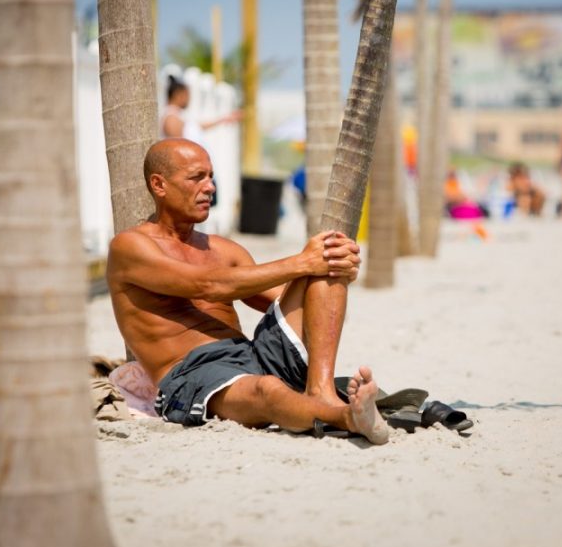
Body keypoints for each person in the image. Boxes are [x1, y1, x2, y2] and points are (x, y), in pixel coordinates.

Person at [106, 139, 390, 444]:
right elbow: (209, 285)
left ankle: (320, 388)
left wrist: (339, 272)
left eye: (211, 176)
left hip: (253, 354)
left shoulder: (223, 249)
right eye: (196, 177)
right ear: (159, 185)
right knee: (266, 389)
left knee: (326, 265)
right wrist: (302, 262)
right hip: (194, 373)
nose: (210, 187)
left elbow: (294, 299)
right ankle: (348, 417)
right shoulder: (130, 247)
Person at [160, 75, 242, 142]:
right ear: (178, 95)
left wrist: (223, 119)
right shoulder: (171, 119)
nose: (188, 99)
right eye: (187, 95)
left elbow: (197, 126)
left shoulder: (175, 116)